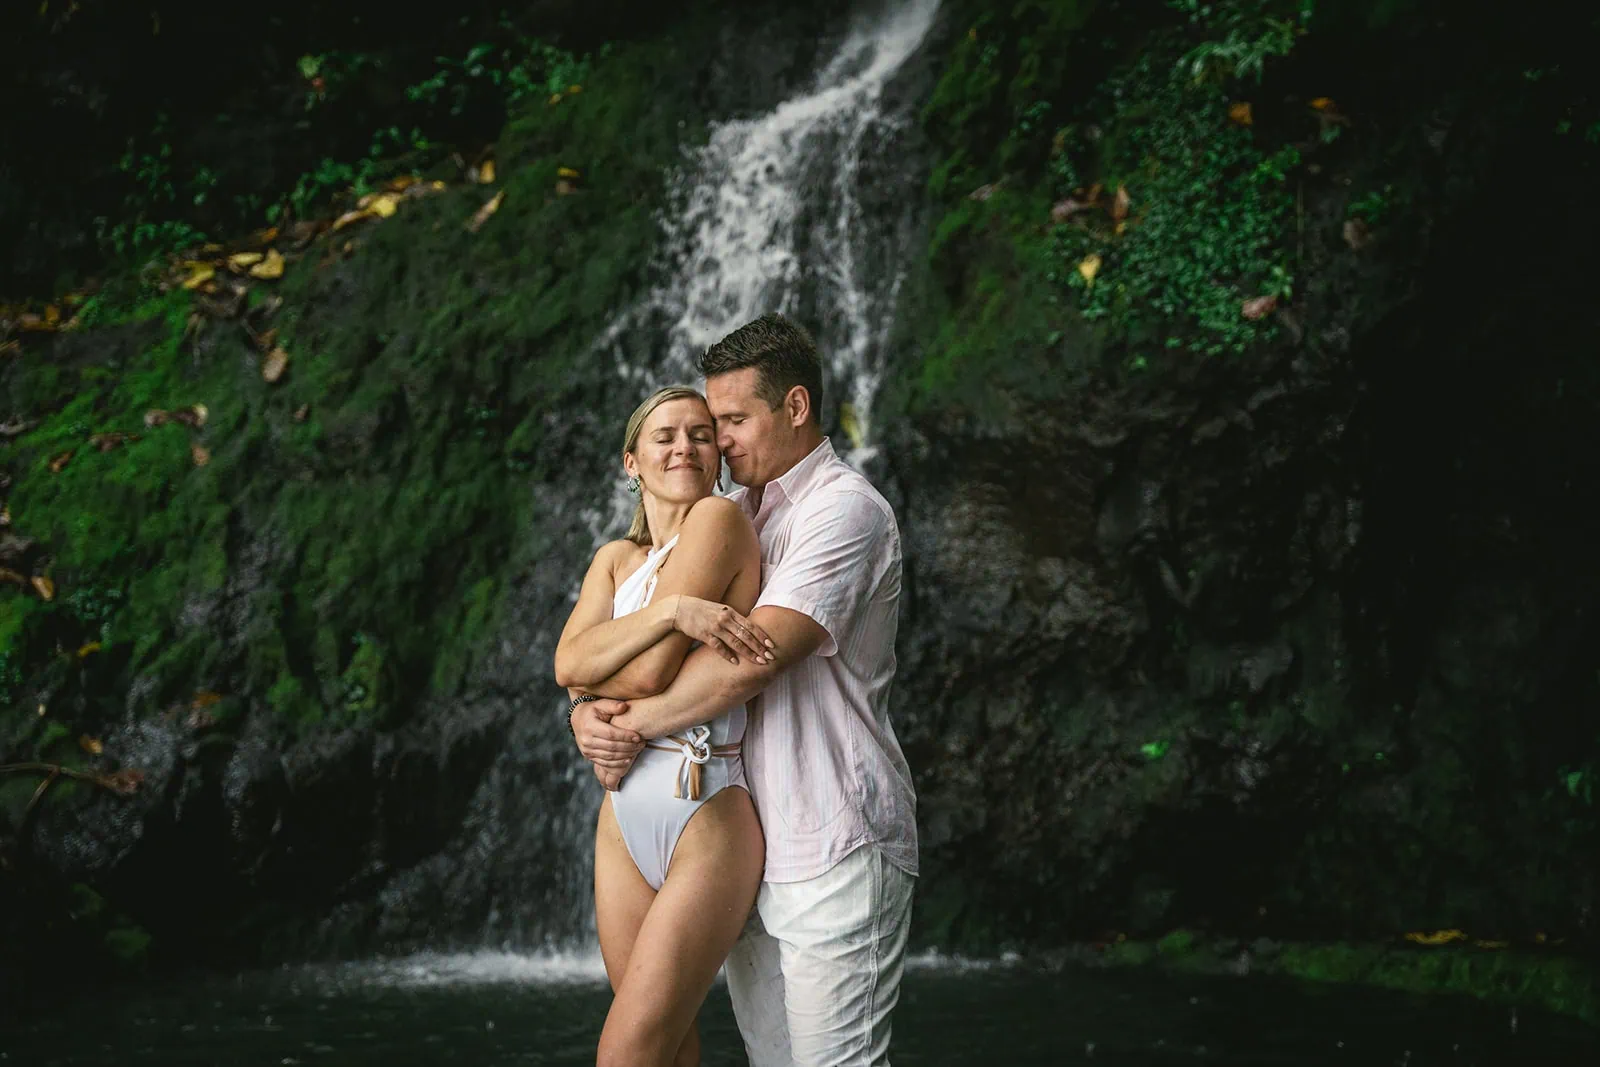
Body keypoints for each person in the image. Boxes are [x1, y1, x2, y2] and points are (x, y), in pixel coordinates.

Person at [571, 314, 919, 1067]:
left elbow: (752, 659)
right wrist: (583, 715)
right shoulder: (750, 512)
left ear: (795, 407)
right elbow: (595, 657)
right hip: (757, 832)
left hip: (834, 836)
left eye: (732, 420)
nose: (716, 442)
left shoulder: (843, 510)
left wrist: (622, 723)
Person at [555, 385, 782, 1067]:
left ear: (718, 457)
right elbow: (566, 662)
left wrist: (589, 692)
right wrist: (672, 612)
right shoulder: (614, 560)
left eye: (701, 434)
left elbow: (645, 673)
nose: (684, 445)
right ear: (632, 460)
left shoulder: (716, 518)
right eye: (665, 435)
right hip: (621, 815)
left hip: (704, 803)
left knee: (627, 1050)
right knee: (669, 1045)